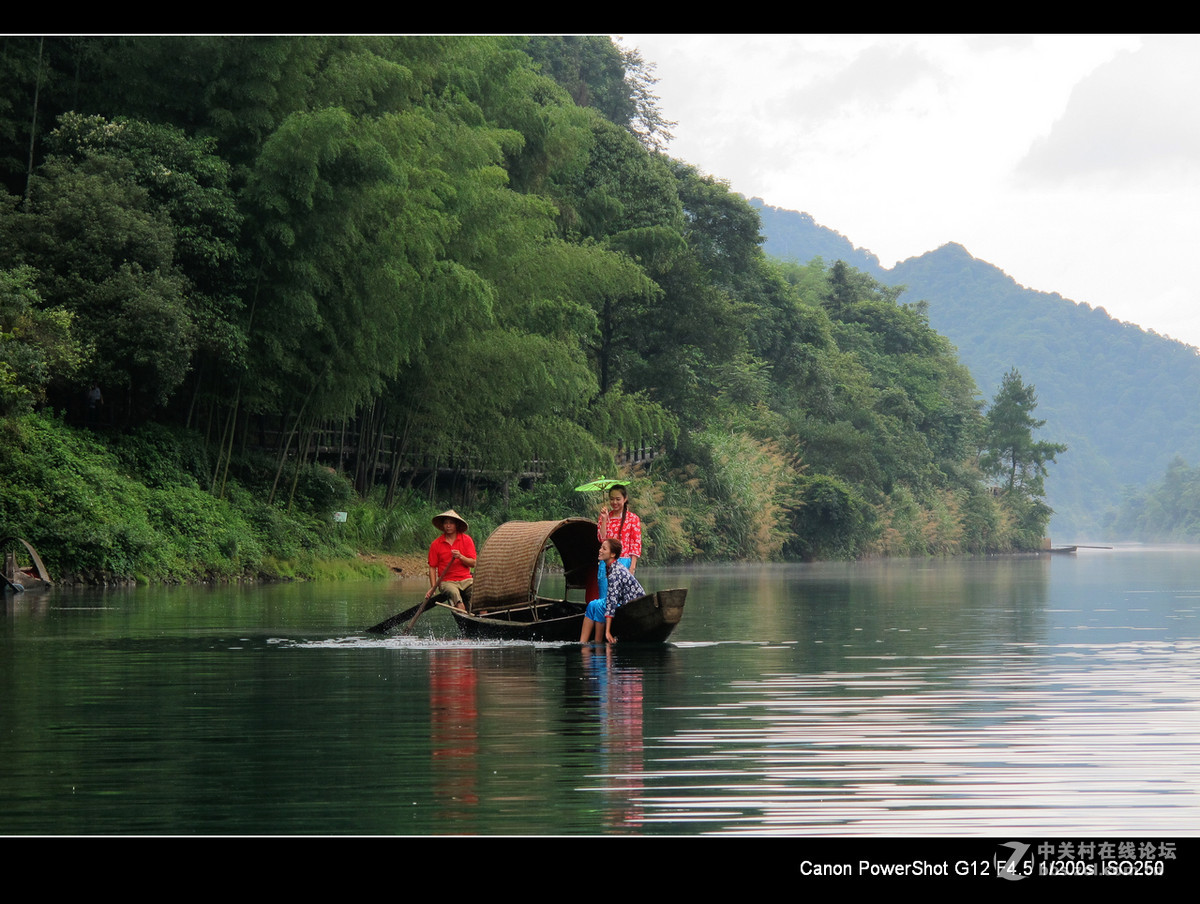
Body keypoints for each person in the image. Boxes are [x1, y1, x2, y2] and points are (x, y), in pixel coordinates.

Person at [580, 538, 645, 643]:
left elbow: (612, 602)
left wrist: (608, 632)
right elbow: (611, 599)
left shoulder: (615, 572)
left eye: (604, 549)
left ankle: (598, 643)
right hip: (622, 602)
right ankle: (583, 644)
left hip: (631, 606)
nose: (600, 550)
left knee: (599, 606)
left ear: (612, 554)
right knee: (592, 604)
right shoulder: (611, 567)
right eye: (601, 547)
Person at [595, 484, 641, 612]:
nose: (614, 502)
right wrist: (604, 520)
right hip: (606, 563)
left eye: (618, 499)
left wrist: (632, 568)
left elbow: (636, 544)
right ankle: (604, 620)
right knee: (605, 598)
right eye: (611, 499)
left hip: (624, 562)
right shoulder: (605, 516)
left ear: (625, 499)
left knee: (621, 598)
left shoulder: (633, 519)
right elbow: (602, 539)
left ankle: (619, 620)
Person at [427, 509, 476, 611]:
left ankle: (482, 616)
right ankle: (463, 616)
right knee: (454, 594)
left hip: (466, 579)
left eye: (451, 523)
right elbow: (432, 567)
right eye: (446, 523)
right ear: (443, 525)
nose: (448, 526)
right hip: (447, 581)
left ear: (456, 525)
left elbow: (473, 563)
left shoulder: (466, 539)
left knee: (478, 593)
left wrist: (461, 556)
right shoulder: (436, 544)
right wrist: (433, 587)